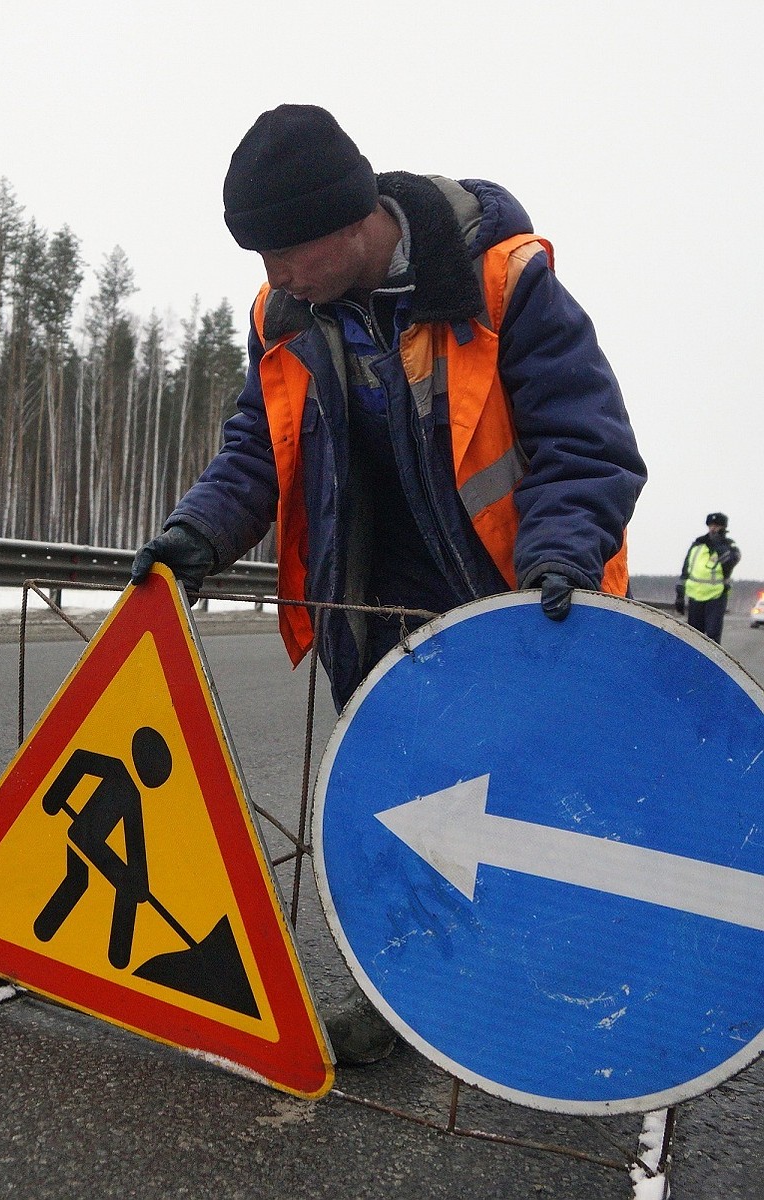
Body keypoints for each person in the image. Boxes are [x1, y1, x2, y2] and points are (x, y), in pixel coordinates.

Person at [130, 104, 647, 1063]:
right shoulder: (286, 315)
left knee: (533, 810)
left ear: (350, 220)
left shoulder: (505, 283)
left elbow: (586, 444)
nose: (272, 275)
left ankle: (566, 1000)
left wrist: (561, 557)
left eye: (285, 250)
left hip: (516, 608)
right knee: (398, 814)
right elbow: (259, 447)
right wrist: (197, 533)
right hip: (371, 621)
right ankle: (406, 999)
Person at [675, 512, 740, 643]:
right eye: (711, 525)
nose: (713, 528)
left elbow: (731, 562)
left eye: (717, 526)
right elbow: (685, 570)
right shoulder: (698, 544)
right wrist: (680, 596)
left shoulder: (728, 546)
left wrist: (720, 546)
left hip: (716, 596)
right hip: (695, 595)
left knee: (712, 636)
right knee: (693, 637)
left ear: (723, 527)